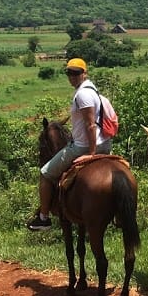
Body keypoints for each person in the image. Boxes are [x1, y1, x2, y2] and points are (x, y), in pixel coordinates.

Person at [27, 58, 113, 231]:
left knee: (45, 173)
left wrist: (91, 153)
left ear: (84, 73)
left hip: (83, 146)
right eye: (69, 72)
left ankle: (43, 217)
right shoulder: (95, 92)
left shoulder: (82, 95)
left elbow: (90, 125)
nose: (72, 76)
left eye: (76, 73)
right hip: (105, 144)